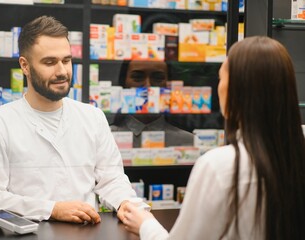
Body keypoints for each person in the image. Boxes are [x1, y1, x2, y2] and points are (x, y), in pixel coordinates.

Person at [122, 36, 305, 239]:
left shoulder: (219, 166)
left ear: (234, 90)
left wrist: (145, 224)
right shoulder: (295, 158)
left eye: (221, 79)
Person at [0, 15, 136, 224]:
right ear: (25, 66)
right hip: (28, 234)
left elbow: (112, 179)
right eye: (49, 62)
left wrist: (128, 204)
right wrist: (52, 209)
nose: (62, 71)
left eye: (66, 60)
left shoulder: (92, 117)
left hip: (85, 234)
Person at [111, 60, 195, 147]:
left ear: (169, 86)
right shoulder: (105, 138)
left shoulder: (189, 142)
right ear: (124, 84)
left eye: (158, 78)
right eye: (137, 77)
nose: (148, 86)